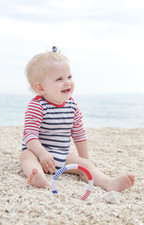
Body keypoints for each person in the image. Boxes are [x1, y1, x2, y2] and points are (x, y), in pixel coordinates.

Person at [20, 46, 135, 191]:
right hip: (38, 153)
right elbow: (29, 136)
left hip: (61, 155)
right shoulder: (37, 106)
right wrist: (42, 154)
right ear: (41, 88)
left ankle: (108, 182)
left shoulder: (72, 106)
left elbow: (79, 134)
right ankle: (37, 176)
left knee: (86, 165)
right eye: (59, 79)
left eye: (69, 77)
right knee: (26, 157)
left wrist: (84, 159)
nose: (67, 82)